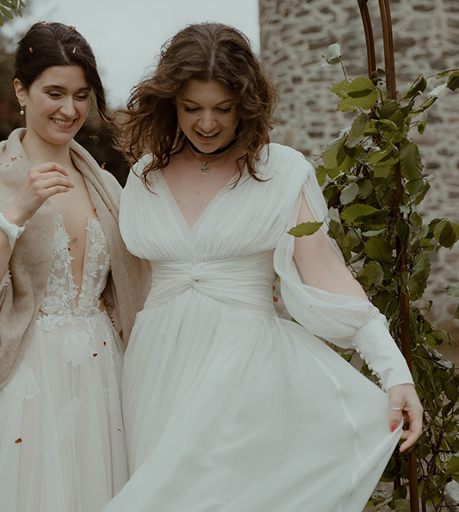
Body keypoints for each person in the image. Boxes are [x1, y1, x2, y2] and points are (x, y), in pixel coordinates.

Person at [103, 23, 423, 512]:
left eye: (222, 109)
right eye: (192, 108)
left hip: (246, 372)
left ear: (246, 105)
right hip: (155, 370)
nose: (207, 123)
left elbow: (328, 276)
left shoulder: (281, 171)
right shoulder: (145, 176)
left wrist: (394, 371)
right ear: (171, 104)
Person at [0, 22, 142, 512]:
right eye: (54, 92)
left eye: (82, 95)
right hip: (23, 375)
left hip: (102, 375)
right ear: (21, 89)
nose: (70, 109)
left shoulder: (104, 184)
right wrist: (14, 215)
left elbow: (136, 279)